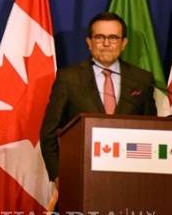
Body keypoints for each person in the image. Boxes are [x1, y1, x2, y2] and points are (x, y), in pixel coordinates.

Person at [40, 11, 156, 184]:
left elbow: (151, 131)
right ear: (89, 42)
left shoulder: (142, 79)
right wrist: (58, 175)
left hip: (131, 178)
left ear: (124, 43)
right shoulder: (68, 78)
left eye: (113, 38)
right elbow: (49, 134)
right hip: (81, 175)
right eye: (100, 37)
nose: (106, 43)